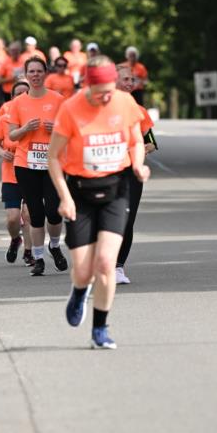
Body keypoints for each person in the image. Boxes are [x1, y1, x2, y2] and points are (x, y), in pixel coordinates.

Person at [47, 55, 150, 349]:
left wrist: (138, 165)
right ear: (88, 85)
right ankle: (79, 292)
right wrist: (64, 197)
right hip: (80, 193)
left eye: (110, 89)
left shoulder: (124, 103)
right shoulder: (70, 109)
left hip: (116, 191)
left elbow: (136, 141)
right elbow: (54, 157)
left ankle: (100, 329)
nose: (107, 96)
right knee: (83, 271)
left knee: (106, 262)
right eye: (100, 90)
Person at [7, 57, 67, 276]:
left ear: (45, 73)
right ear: (26, 74)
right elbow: (11, 134)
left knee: (53, 211)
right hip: (26, 163)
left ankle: (55, 245)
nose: (35, 75)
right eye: (31, 71)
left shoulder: (59, 99)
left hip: (52, 163)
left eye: (39, 71)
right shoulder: (18, 103)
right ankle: (39, 258)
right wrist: (25, 129)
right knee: (35, 212)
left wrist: (57, 128)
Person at [114, 72, 158, 285]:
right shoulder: (101, 108)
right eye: (125, 79)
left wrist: (138, 148)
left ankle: (119, 267)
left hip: (131, 172)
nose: (129, 83)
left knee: (127, 219)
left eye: (132, 80)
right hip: (105, 171)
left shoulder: (139, 111)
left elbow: (151, 142)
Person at [0, 78, 34, 265]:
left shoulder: (37, 120)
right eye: (18, 93)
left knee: (29, 215)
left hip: (32, 173)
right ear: (12, 98)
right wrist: (2, 153)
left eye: (26, 92)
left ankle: (29, 252)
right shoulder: (5, 119)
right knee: (13, 218)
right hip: (11, 175)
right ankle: (16, 238)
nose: (22, 96)